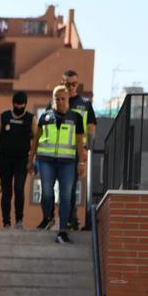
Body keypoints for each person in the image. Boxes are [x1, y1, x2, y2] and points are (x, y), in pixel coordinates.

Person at [31, 86, 87, 244]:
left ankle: (62, 231)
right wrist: (31, 161)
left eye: (63, 98)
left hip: (67, 163)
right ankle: (48, 218)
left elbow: (79, 142)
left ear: (68, 99)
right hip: (45, 161)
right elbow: (35, 140)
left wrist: (81, 161)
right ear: (53, 99)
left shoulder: (76, 117)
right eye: (57, 98)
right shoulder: (45, 117)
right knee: (47, 193)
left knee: (66, 196)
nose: (60, 101)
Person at [0, 91, 36, 229]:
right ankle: (6, 222)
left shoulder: (31, 119)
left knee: (19, 188)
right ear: (12, 104)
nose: (19, 108)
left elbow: (35, 140)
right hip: (4, 159)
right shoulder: (4, 116)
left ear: (25, 105)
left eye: (21, 106)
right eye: (16, 105)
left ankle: (19, 221)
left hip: (22, 160)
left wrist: (33, 159)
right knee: (7, 191)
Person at [62, 70, 97, 230]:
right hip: (59, 152)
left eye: (74, 84)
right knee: (60, 188)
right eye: (67, 84)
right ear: (62, 84)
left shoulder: (84, 103)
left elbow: (91, 127)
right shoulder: (57, 101)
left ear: (77, 84)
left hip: (77, 152)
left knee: (70, 186)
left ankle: (71, 219)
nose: (70, 87)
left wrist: (87, 148)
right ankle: (66, 218)